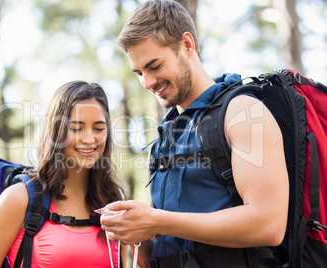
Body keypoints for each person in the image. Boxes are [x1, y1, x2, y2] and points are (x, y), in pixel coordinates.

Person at [100, 1, 289, 267]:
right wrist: (134, 233)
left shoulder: (243, 112)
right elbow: (168, 243)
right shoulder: (164, 140)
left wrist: (157, 220)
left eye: (154, 66)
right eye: (139, 72)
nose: (147, 82)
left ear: (187, 45)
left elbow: (269, 224)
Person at [0, 81, 125, 268]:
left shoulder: (112, 204)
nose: (90, 139)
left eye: (99, 128)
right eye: (76, 128)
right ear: (56, 132)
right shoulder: (19, 199)